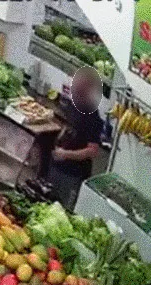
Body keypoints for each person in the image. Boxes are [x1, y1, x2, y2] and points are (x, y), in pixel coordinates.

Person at [46, 67, 104, 207]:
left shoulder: (93, 117)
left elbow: (92, 151)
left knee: (63, 209)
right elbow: (70, 127)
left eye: (78, 85)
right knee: (46, 202)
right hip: (56, 166)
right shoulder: (73, 106)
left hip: (72, 175)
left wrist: (66, 154)